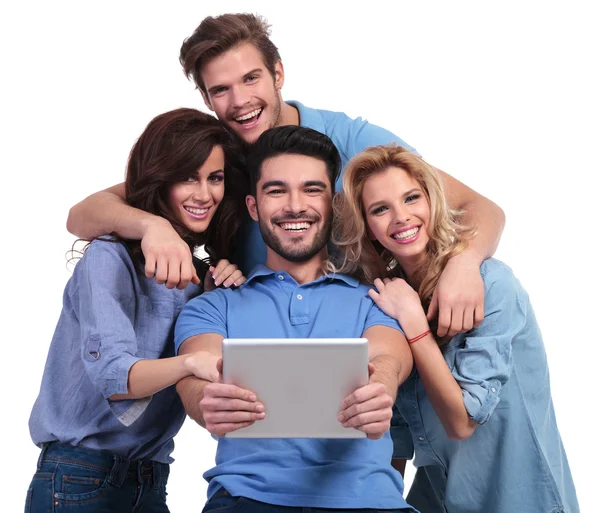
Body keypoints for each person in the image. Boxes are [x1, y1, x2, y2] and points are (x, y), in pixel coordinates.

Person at [66, 12, 505, 346]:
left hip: (374, 336)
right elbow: (82, 214)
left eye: (251, 78)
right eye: (221, 90)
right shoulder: (217, 162)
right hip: (271, 355)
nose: (240, 102)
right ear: (205, 97)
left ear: (278, 74)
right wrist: (153, 226)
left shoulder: (353, 141)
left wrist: (465, 265)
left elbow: (479, 207)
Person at [174, 126, 417, 512]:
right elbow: (194, 378)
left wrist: (381, 387)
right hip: (246, 500)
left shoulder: (376, 298)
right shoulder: (213, 306)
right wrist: (208, 402)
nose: (294, 206)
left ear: (333, 203)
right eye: (276, 191)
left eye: (311, 189)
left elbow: (388, 359)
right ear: (254, 207)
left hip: (369, 502)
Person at [333, 144, 579, 513]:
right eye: (380, 209)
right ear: (367, 227)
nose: (401, 217)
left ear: (432, 201)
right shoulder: (391, 297)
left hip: (519, 499)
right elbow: (395, 427)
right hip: (440, 498)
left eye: (411, 198)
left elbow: (462, 422)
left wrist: (415, 325)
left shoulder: (492, 284)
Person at [25, 108, 248, 513]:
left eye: (214, 178)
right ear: (160, 179)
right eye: (187, 177)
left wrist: (220, 293)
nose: (204, 194)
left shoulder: (202, 269)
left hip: (151, 478)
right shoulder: (109, 257)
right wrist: (189, 363)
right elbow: (115, 377)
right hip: (79, 477)